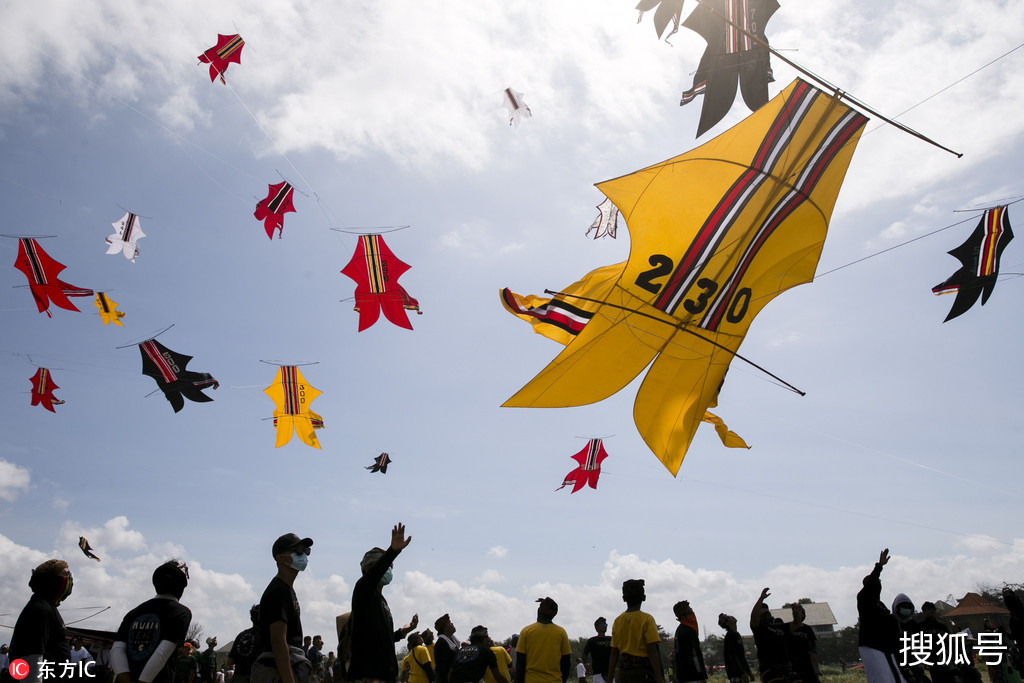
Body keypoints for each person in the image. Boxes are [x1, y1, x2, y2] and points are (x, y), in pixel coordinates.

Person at [347, 523, 416, 683]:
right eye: (385, 565)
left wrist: (402, 633)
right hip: (368, 676)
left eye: (391, 566)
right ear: (367, 568)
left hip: (386, 676)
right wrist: (393, 551)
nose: (389, 569)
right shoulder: (363, 589)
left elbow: (381, 639)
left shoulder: (381, 600)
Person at [110, 560, 193, 683]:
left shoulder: (134, 612)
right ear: (182, 585)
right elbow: (162, 652)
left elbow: (117, 649)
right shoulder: (181, 613)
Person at [254, 533, 314, 683]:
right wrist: (289, 680)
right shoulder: (278, 591)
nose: (304, 556)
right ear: (280, 558)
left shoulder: (287, 590)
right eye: (298, 550)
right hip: (277, 672)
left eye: (306, 551)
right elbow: (279, 641)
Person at [7, 559, 74, 683]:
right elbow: (31, 657)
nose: (70, 579)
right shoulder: (39, 609)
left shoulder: (49, 607)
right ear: (51, 580)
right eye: (65, 575)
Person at [856, 550, 906, 683]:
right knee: (881, 678)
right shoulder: (863, 598)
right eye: (875, 581)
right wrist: (879, 566)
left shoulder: (881, 605)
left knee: (895, 678)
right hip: (871, 646)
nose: (878, 584)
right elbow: (871, 582)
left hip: (886, 647)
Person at [606, 581, 663, 683]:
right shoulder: (647, 619)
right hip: (642, 673)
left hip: (623, 673)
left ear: (623, 598)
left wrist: (610, 678)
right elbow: (652, 651)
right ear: (644, 597)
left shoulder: (618, 620)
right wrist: (659, 677)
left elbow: (614, 653)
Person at [516, 598, 571, 683]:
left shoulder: (526, 631)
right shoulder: (561, 632)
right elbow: (566, 663)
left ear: (539, 610)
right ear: (555, 613)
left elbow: (520, 663)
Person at [748, 588, 795, 683]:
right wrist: (761, 599)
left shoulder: (779, 625)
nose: (764, 610)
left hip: (786, 666)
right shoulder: (759, 626)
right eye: (762, 608)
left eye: (766, 608)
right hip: (770, 667)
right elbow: (753, 617)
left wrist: (796, 611)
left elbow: (796, 624)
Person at [673, 600, 705, 683]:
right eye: (690, 611)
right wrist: (701, 676)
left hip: (684, 677)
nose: (693, 613)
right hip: (693, 677)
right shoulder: (687, 631)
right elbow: (694, 655)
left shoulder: (680, 630)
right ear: (683, 616)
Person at [228, 606, 262, 683]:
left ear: (251, 619)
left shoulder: (241, 635)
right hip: (257, 677)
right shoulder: (266, 636)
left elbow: (229, 661)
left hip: (239, 677)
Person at [785, 605, 818, 683]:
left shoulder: (807, 629)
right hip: (792, 663)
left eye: (800, 612)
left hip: (806, 662)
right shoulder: (788, 627)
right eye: (795, 612)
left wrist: (814, 654)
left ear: (803, 615)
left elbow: (813, 644)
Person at [717, 614, 751, 683]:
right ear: (728, 623)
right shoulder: (730, 635)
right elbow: (733, 656)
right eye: (729, 617)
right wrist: (742, 673)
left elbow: (742, 656)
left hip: (741, 674)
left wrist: (748, 672)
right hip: (736, 675)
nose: (731, 616)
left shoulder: (736, 634)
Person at [434, 615, 458, 683]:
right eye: (450, 623)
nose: (452, 624)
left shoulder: (453, 642)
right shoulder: (441, 644)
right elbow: (442, 669)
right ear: (444, 628)